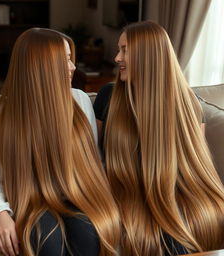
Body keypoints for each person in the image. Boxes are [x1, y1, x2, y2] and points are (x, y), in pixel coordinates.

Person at [0, 28, 120, 256]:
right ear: (40, 66)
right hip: (32, 202)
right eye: (64, 60)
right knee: (46, 239)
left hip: (78, 197)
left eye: (71, 59)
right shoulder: (2, 117)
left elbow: (94, 162)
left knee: (87, 235)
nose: (72, 67)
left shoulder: (80, 101)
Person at [94, 21, 224, 255]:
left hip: (174, 192)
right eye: (118, 49)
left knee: (181, 235)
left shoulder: (188, 104)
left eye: (125, 50)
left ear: (149, 56)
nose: (116, 58)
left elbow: (197, 166)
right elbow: (93, 157)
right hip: (124, 192)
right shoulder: (109, 97)